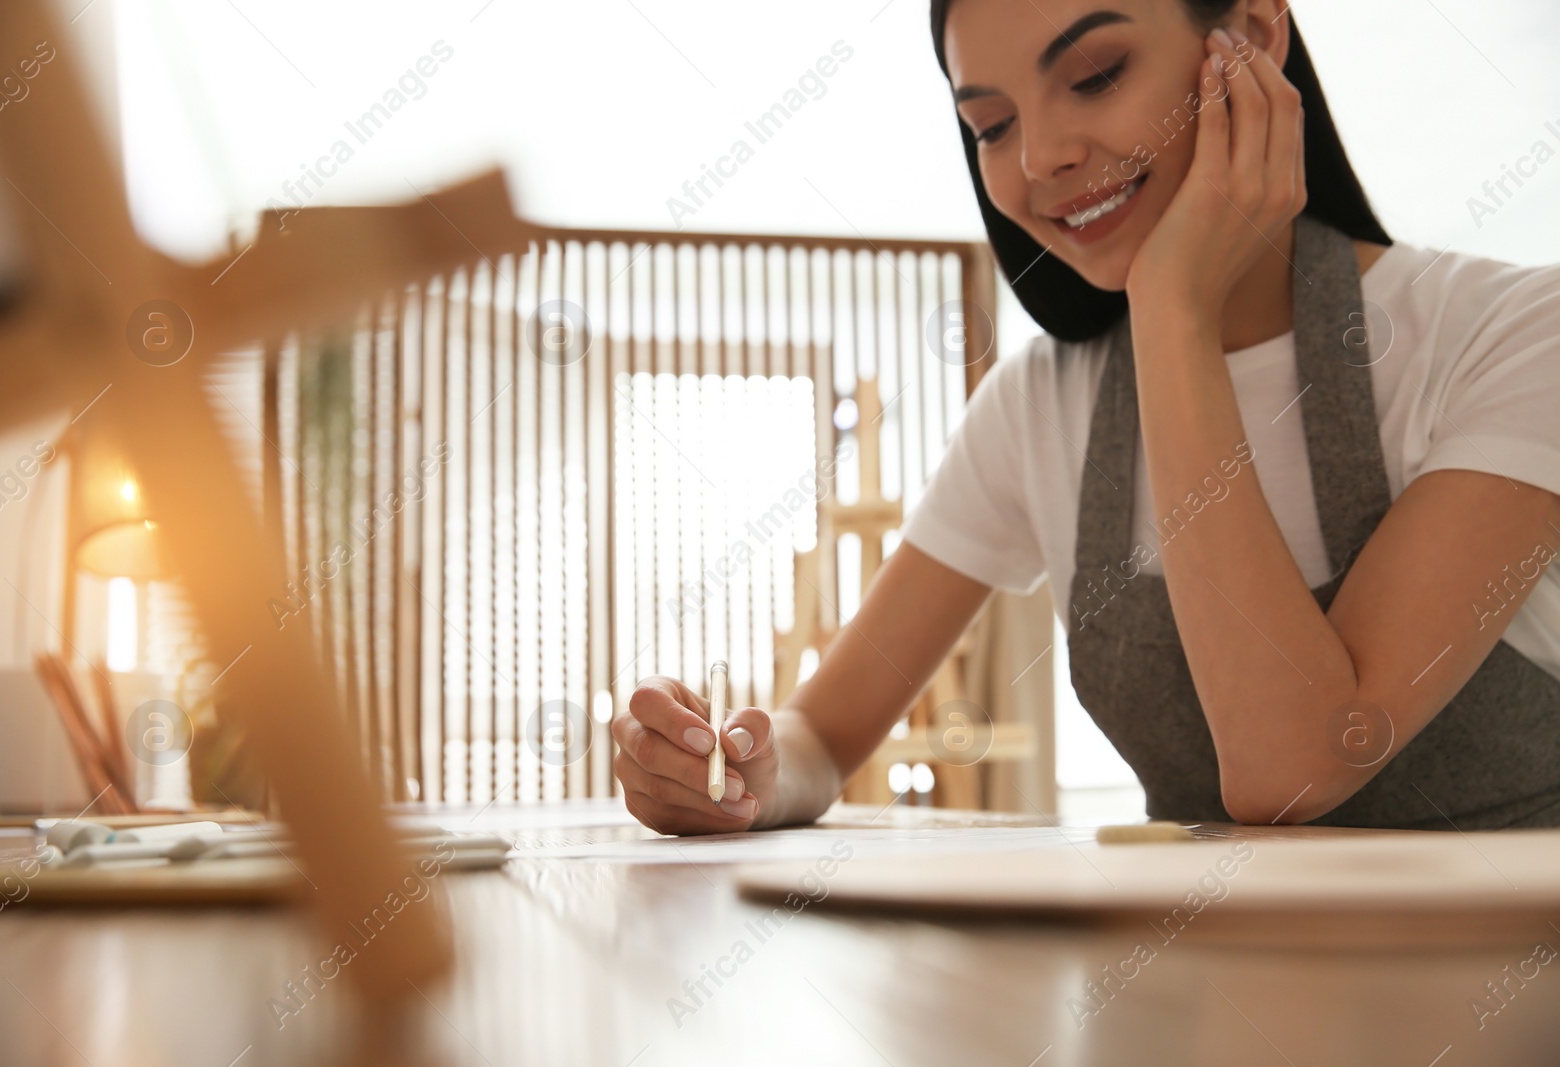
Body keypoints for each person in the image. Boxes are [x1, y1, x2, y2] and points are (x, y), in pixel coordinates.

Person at [614, 0, 1560, 834]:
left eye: (1096, 75)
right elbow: (822, 731)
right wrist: (738, 771)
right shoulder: (1037, 407)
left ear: (1254, 37)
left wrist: (1176, 310)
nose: (1040, 158)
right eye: (990, 126)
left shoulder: (1518, 335)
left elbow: (1295, 766)